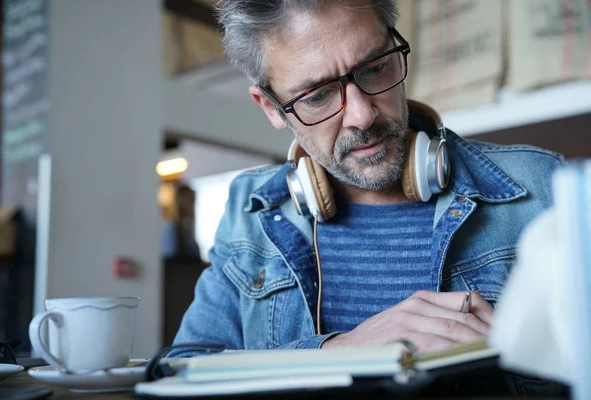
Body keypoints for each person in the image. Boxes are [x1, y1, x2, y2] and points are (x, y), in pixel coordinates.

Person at [172, 1, 566, 395]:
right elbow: (183, 370)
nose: (362, 114)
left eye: (375, 68)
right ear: (271, 108)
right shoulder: (250, 210)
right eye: (317, 96)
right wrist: (342, 351)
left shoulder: (545, 188)